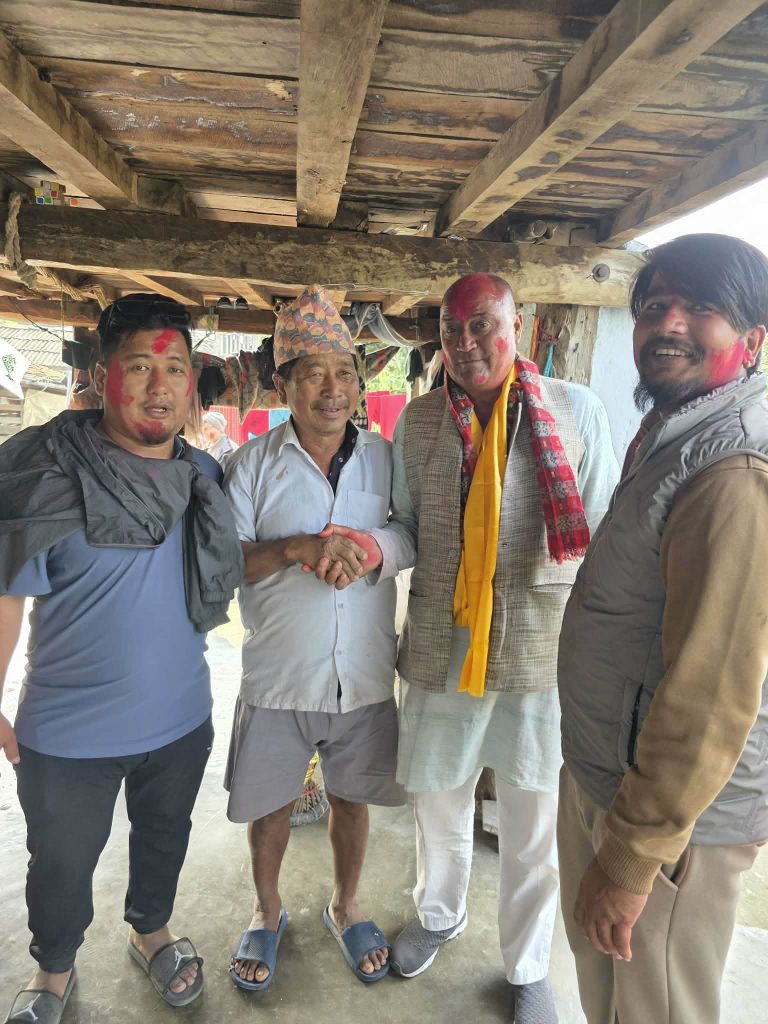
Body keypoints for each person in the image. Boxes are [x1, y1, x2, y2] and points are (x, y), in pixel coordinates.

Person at [318, 272, 617, 1023]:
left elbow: (603, 537)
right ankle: (439, 915)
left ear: (518, 324)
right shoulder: (419, 423)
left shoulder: (576, 411)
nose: (466, 342)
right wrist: (375, 548)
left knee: (532, 822)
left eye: (481, 324)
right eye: (452, 329)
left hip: (539, 652)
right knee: (438, 803)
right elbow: (408, 528)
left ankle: (528, 967)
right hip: (440, 646)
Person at [0, 293, 243, 1023]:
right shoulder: (45, 472)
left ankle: (151, 931)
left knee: (165, 839)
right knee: (61, 863)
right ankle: (52, 970)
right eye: (139, 366)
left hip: (180, 719)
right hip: (67, 733)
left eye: (175, 369)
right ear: (102, 374)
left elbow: (224, 566)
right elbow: (6, 592)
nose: (158, 386)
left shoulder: (202, 477)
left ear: (192, 382)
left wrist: (302, 549)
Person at [557, 233, 768, 1024]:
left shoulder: (731, 472)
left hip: (673, 826)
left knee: (659, 1008)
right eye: (655, 306)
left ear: (752, 341)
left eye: (701, 306)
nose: (668, 323)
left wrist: (634, 856)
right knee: (611, 995)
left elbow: (711, 696)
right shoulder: (677, 432)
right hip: (615, 779)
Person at [223, 284, 404, 992]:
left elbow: (414, 533)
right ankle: (266, 912)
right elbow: (226, 562)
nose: (333, 389)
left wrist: (373, 546)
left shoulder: (385, 458)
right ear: (282, 385)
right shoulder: (251, 464)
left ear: (360, 382)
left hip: (362, 672)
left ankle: (345, 904)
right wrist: (299, 547)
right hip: (280, 674)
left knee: (352, 799)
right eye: (313, 373)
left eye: (344, 373)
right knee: (271, 805)